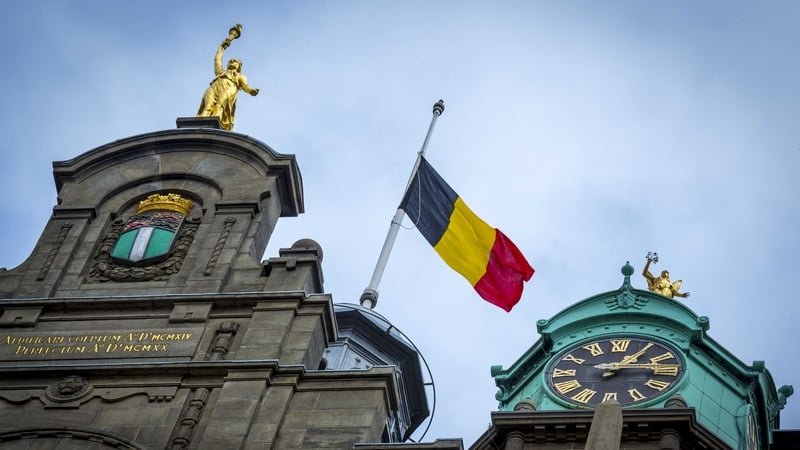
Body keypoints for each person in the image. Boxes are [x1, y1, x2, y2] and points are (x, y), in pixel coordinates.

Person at [197, 37, 259, 131]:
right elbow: (217, 60)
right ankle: (199, 126)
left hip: (230, 87)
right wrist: (222, 47)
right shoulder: (221, 72)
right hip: (214, 86)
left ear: (239, 67)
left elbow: (245, 86)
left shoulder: (239, 76)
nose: (232, 62)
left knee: (220, 105)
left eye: (235, 61)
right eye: (230, 61)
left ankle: (215, 127)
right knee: (208, 106)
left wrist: (251, 90)